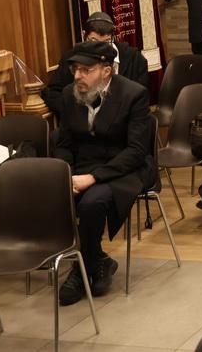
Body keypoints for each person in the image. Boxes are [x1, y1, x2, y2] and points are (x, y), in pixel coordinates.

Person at [54, 41, 152, 305]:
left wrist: (94, 177)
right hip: (81, 168)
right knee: (53, 195)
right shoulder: (69, 94)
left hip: (122, 168)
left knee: (92, 202)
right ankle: (97, 260)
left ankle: (81, 268)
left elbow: (136, 151)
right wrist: (66, 175)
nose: (78, 76)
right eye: (75, 69)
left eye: (85, 70)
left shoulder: (133, 94)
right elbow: (64, 144)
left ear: (106, 71)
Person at [42, 12, 149, 120]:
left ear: (113, 37)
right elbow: (53, 93)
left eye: (106, 42)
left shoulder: (135, 59)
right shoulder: (71, 59)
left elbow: (139, 100)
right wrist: (76, 114)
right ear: (84, 35)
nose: (99, 49)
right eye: (94, 41)